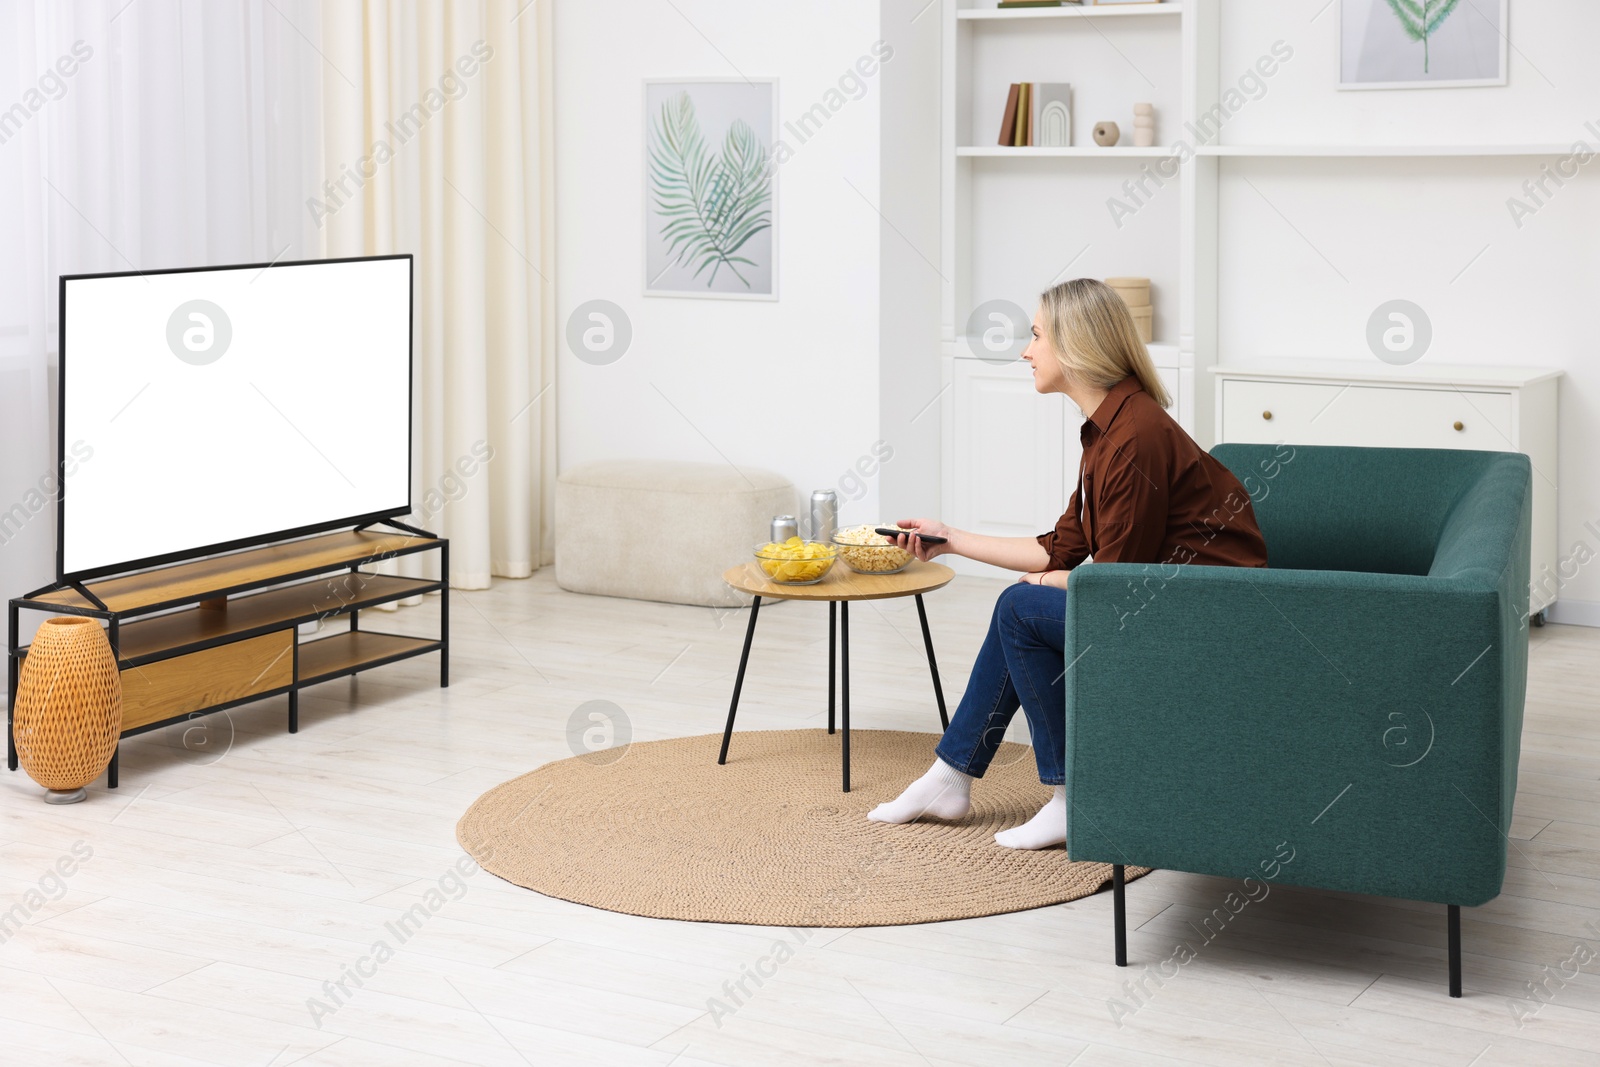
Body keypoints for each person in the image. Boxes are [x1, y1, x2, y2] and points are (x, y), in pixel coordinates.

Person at [868, 278, 1269, 849]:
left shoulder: (1135, 437)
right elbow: (1060, 551)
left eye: (1035, 336)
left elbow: (1107, 582)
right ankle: (952, 778)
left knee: (1019, 609)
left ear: (1076, 347)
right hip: (1173, 601)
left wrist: (1047, 583)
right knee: (1023, 606)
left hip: (1209, 620)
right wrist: (949, 538)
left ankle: (1062, 795)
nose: (1026, 351)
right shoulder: (1108, 430)